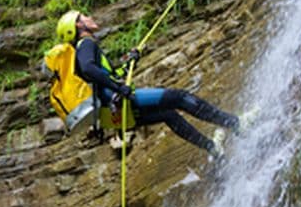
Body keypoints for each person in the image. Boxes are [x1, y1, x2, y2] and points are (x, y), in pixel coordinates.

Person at [56, 10, 246, 157]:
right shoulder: (86, 45)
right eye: (83, 17)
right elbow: (90, 70)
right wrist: (119, 88)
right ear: (78, 26)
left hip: (112, 111)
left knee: (168, 115)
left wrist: (129, 62)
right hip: (120, 101)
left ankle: (212, 148)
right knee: (179, 97)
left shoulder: (81, 51)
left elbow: (106, 75)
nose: (89, 17)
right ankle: (234, 123)